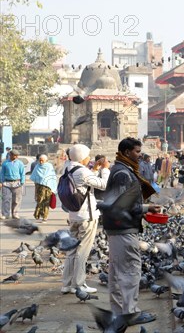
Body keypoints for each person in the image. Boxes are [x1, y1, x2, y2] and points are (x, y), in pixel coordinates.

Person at [101, 137, 160, 326]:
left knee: (118, 273)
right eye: (136, 151)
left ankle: (120, 313)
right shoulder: (123, 174)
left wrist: (146, 208)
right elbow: (119, 206)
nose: (139, 154)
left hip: (118, 229)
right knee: (130, 272)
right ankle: (130, 313)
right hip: (123, 229)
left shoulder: (122, 170)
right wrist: (143, 209)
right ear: (126, 153)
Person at [61, 144, 109, 295]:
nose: (89, 158)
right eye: (88, 155)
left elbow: (84, 180)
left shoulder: (67, 167)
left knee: (72, 250)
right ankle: (79, 284)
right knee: (83, 251)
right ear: (83, 157)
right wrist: (105, 169)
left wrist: (94, 169)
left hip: (73, 215)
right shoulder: (82, 171)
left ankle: (66, 284)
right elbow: (103, 184)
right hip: (86, 216)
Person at [30, 154, 57, 222]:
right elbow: (34, 175)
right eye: (40, 160)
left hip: (47, 187)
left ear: (46, 160)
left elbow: (52, 177)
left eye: (42, 161)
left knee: (46, 202)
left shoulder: (49, 166)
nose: (41, 162)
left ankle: (45, 217)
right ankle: (38, 215)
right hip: (38, 186)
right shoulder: (37, 166)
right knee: (39, 201)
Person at [0, 149, 26, 219]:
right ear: (10, 155)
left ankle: (15, 213)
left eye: (17, 156)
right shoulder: (5, 163)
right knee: (6, 199)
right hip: (6, 183)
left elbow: (22, 173)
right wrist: (1, 182)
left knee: (16, 199)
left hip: (17, 183)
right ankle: (5, 214)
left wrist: (22, 182)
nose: (15, 157)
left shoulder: (20, 163)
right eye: (14, 155)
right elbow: (2, 173)